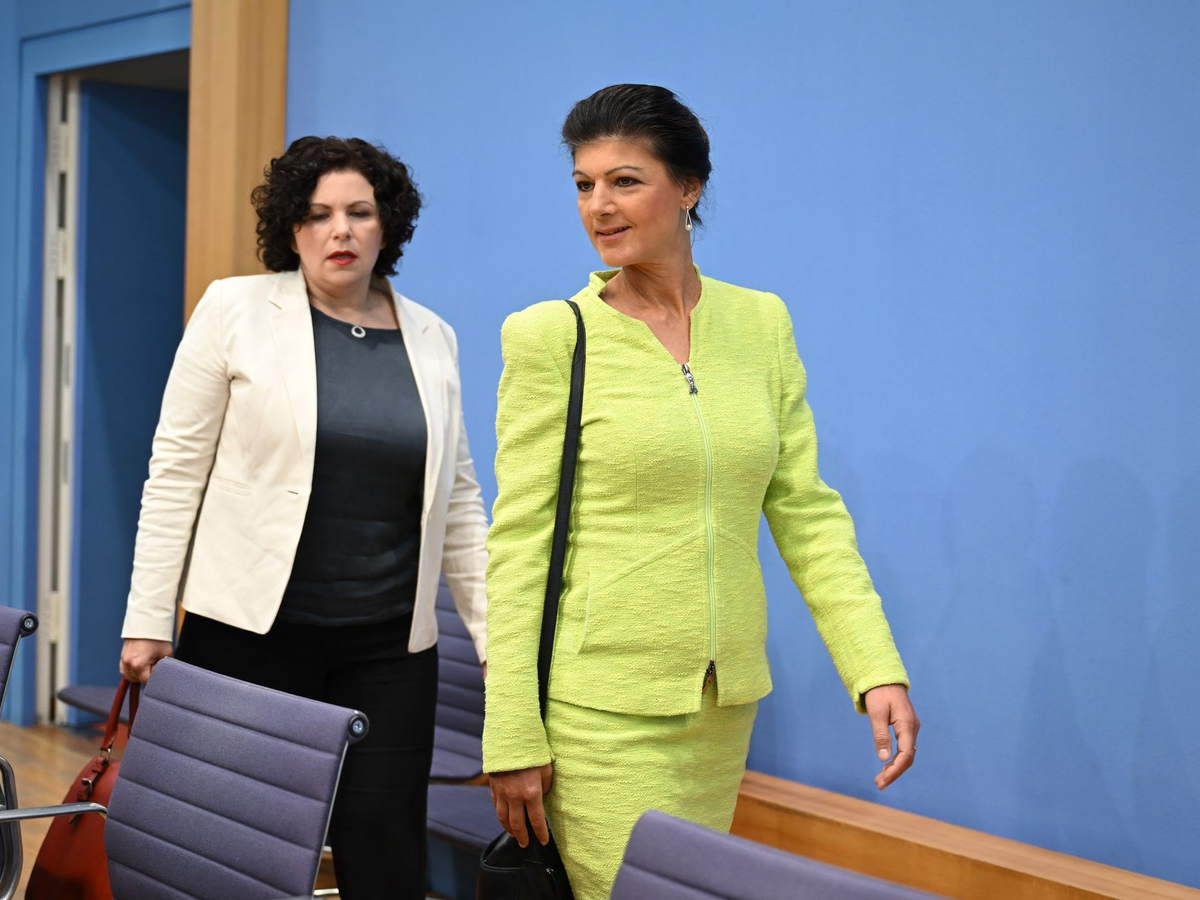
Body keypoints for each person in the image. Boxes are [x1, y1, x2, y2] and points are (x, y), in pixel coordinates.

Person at [482, 84, 920, 899]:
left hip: (722, 712)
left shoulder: (762, 324)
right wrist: (511, 731)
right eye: (584, 184)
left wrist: (875, 668)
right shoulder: (550, 336)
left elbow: (807, 513)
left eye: (625, 181)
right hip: (601, 714)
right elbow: (518, 546)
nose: (599, 205)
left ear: (688, 187)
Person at [117, 136, 488, 898]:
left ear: (388, 225)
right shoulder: (234, 309)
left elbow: (458, 501)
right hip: (249, 636)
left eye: (359, 212)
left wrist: (495, 639)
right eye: (318, 215)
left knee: (386, 858)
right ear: (292, 229)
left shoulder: (433, 337)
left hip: (389, 650)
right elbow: (175, 472)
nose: (339, 231)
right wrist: (148, 616)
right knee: (227, 849)